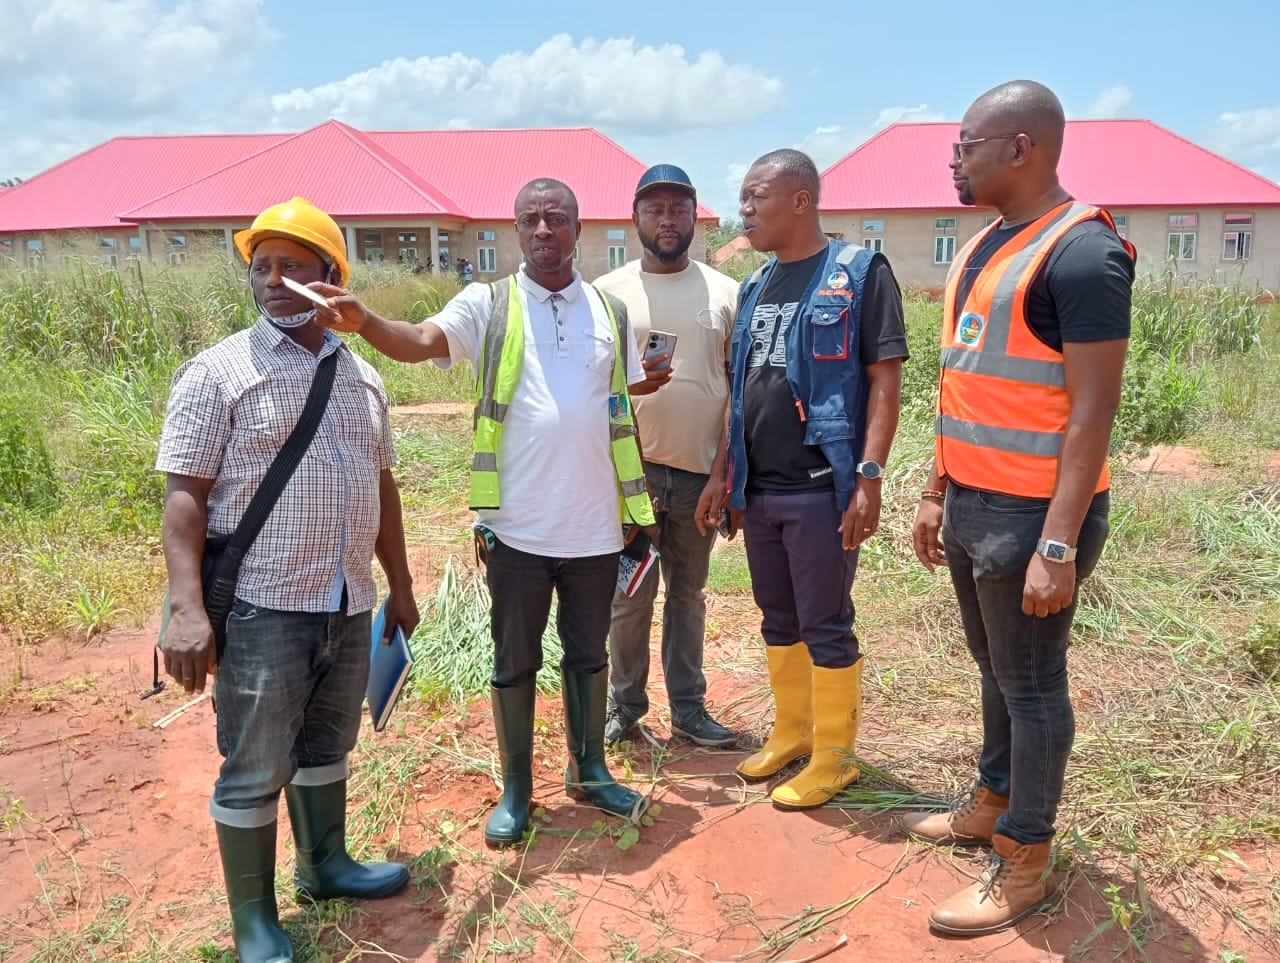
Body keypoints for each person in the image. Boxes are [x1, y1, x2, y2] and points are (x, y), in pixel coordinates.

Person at [312, 178, 655, 849]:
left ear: (579, 226)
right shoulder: (488, 304)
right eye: (531, 219)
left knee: (589, 656)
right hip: (518, 530)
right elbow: (417, 338)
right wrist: (368, 324)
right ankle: (519, 789)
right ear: (515, 230)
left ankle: (588, 768)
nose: (544, 229)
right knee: (514, 660)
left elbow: (620, 408)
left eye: (557, 217)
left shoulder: (609, 311)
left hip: (594, 527)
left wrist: (634, 511)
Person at [157, 196, 420, 963]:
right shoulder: (218, 372)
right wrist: (183, 608)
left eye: (294, 266)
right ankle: (254, 921)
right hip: (263, 603)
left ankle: (325, 864)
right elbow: (184, 497)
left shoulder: (363, 376)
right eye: (262, 266)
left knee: (326, 741)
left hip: (344, 598)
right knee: (256, 760)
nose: (274, 281)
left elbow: (384, 486)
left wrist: (397, 583)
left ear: (330, 279)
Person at [903, 80, 1134, 936]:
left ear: (1021, 148)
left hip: (1035, 516)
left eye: (965, 143)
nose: (954, 158)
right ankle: (993, 800)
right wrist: (935, 489)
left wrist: (1060, 544)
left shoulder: (1082, 253)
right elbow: (966, 383)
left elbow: (1091, 411)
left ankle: (1027, 857)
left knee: (1033, 683)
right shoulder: (987, 245)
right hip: (971, 500)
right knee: (995, 667)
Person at [698, 149, 907, 810]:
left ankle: (835, 758)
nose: (746, 210)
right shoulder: (756, 286)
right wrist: (724, 476)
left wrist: (869, 478)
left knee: (825, 622)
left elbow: (884, 381)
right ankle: (792, 733)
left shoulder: (859, 273)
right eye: (743, 198)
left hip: (822, 488)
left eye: (757, 196)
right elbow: (740, 391)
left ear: (800, 199)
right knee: (777, 617)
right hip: (759, 489)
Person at [594, 164, 742, 749]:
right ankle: (624, 709)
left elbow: (739, 390)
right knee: (628, 598)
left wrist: (723, 475)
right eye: (654, 208)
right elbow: (593, 388)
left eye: (678, 208)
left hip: (700, 478)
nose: (667, 219)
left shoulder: (727, 293)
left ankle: (689, 709)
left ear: (696, 217)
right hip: (630, 477)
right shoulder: (608, 295)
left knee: (688, 595)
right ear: (634, 219)